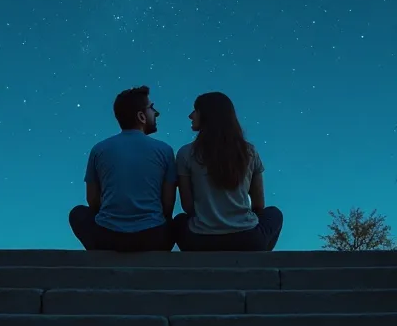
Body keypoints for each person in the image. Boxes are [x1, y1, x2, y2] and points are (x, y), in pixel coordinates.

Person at [69, 85, 177, 252]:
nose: (156, 113)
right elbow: (168, 204)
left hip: (108, 238)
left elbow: (92, 200)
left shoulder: (99, 149)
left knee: (78, 213)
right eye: (151, 108)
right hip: (153, 239)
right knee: (178, 221)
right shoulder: (165, 151)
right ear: (141, 116)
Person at [172, 92, 283, 252]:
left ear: (208, 114)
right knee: (274, 213)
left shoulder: (185, 153)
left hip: (199, 241)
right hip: (247, 240)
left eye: (195, 110)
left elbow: (188, 206)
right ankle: (258, 258)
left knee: (179, 220)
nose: (190, 116)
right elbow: (259, 205)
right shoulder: (249, 152)